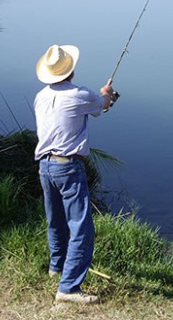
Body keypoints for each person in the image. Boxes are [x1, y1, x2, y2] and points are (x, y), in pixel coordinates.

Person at [33, 44, 115, 304]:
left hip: (44, 166)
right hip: (68, 167)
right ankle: (68, 288)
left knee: (55, 220)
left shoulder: (40, 97)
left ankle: (56, 268)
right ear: (71, 69)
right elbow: (101, 105)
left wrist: (101, 99)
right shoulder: (81, 94)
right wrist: (107, 94)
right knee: (82, 228)